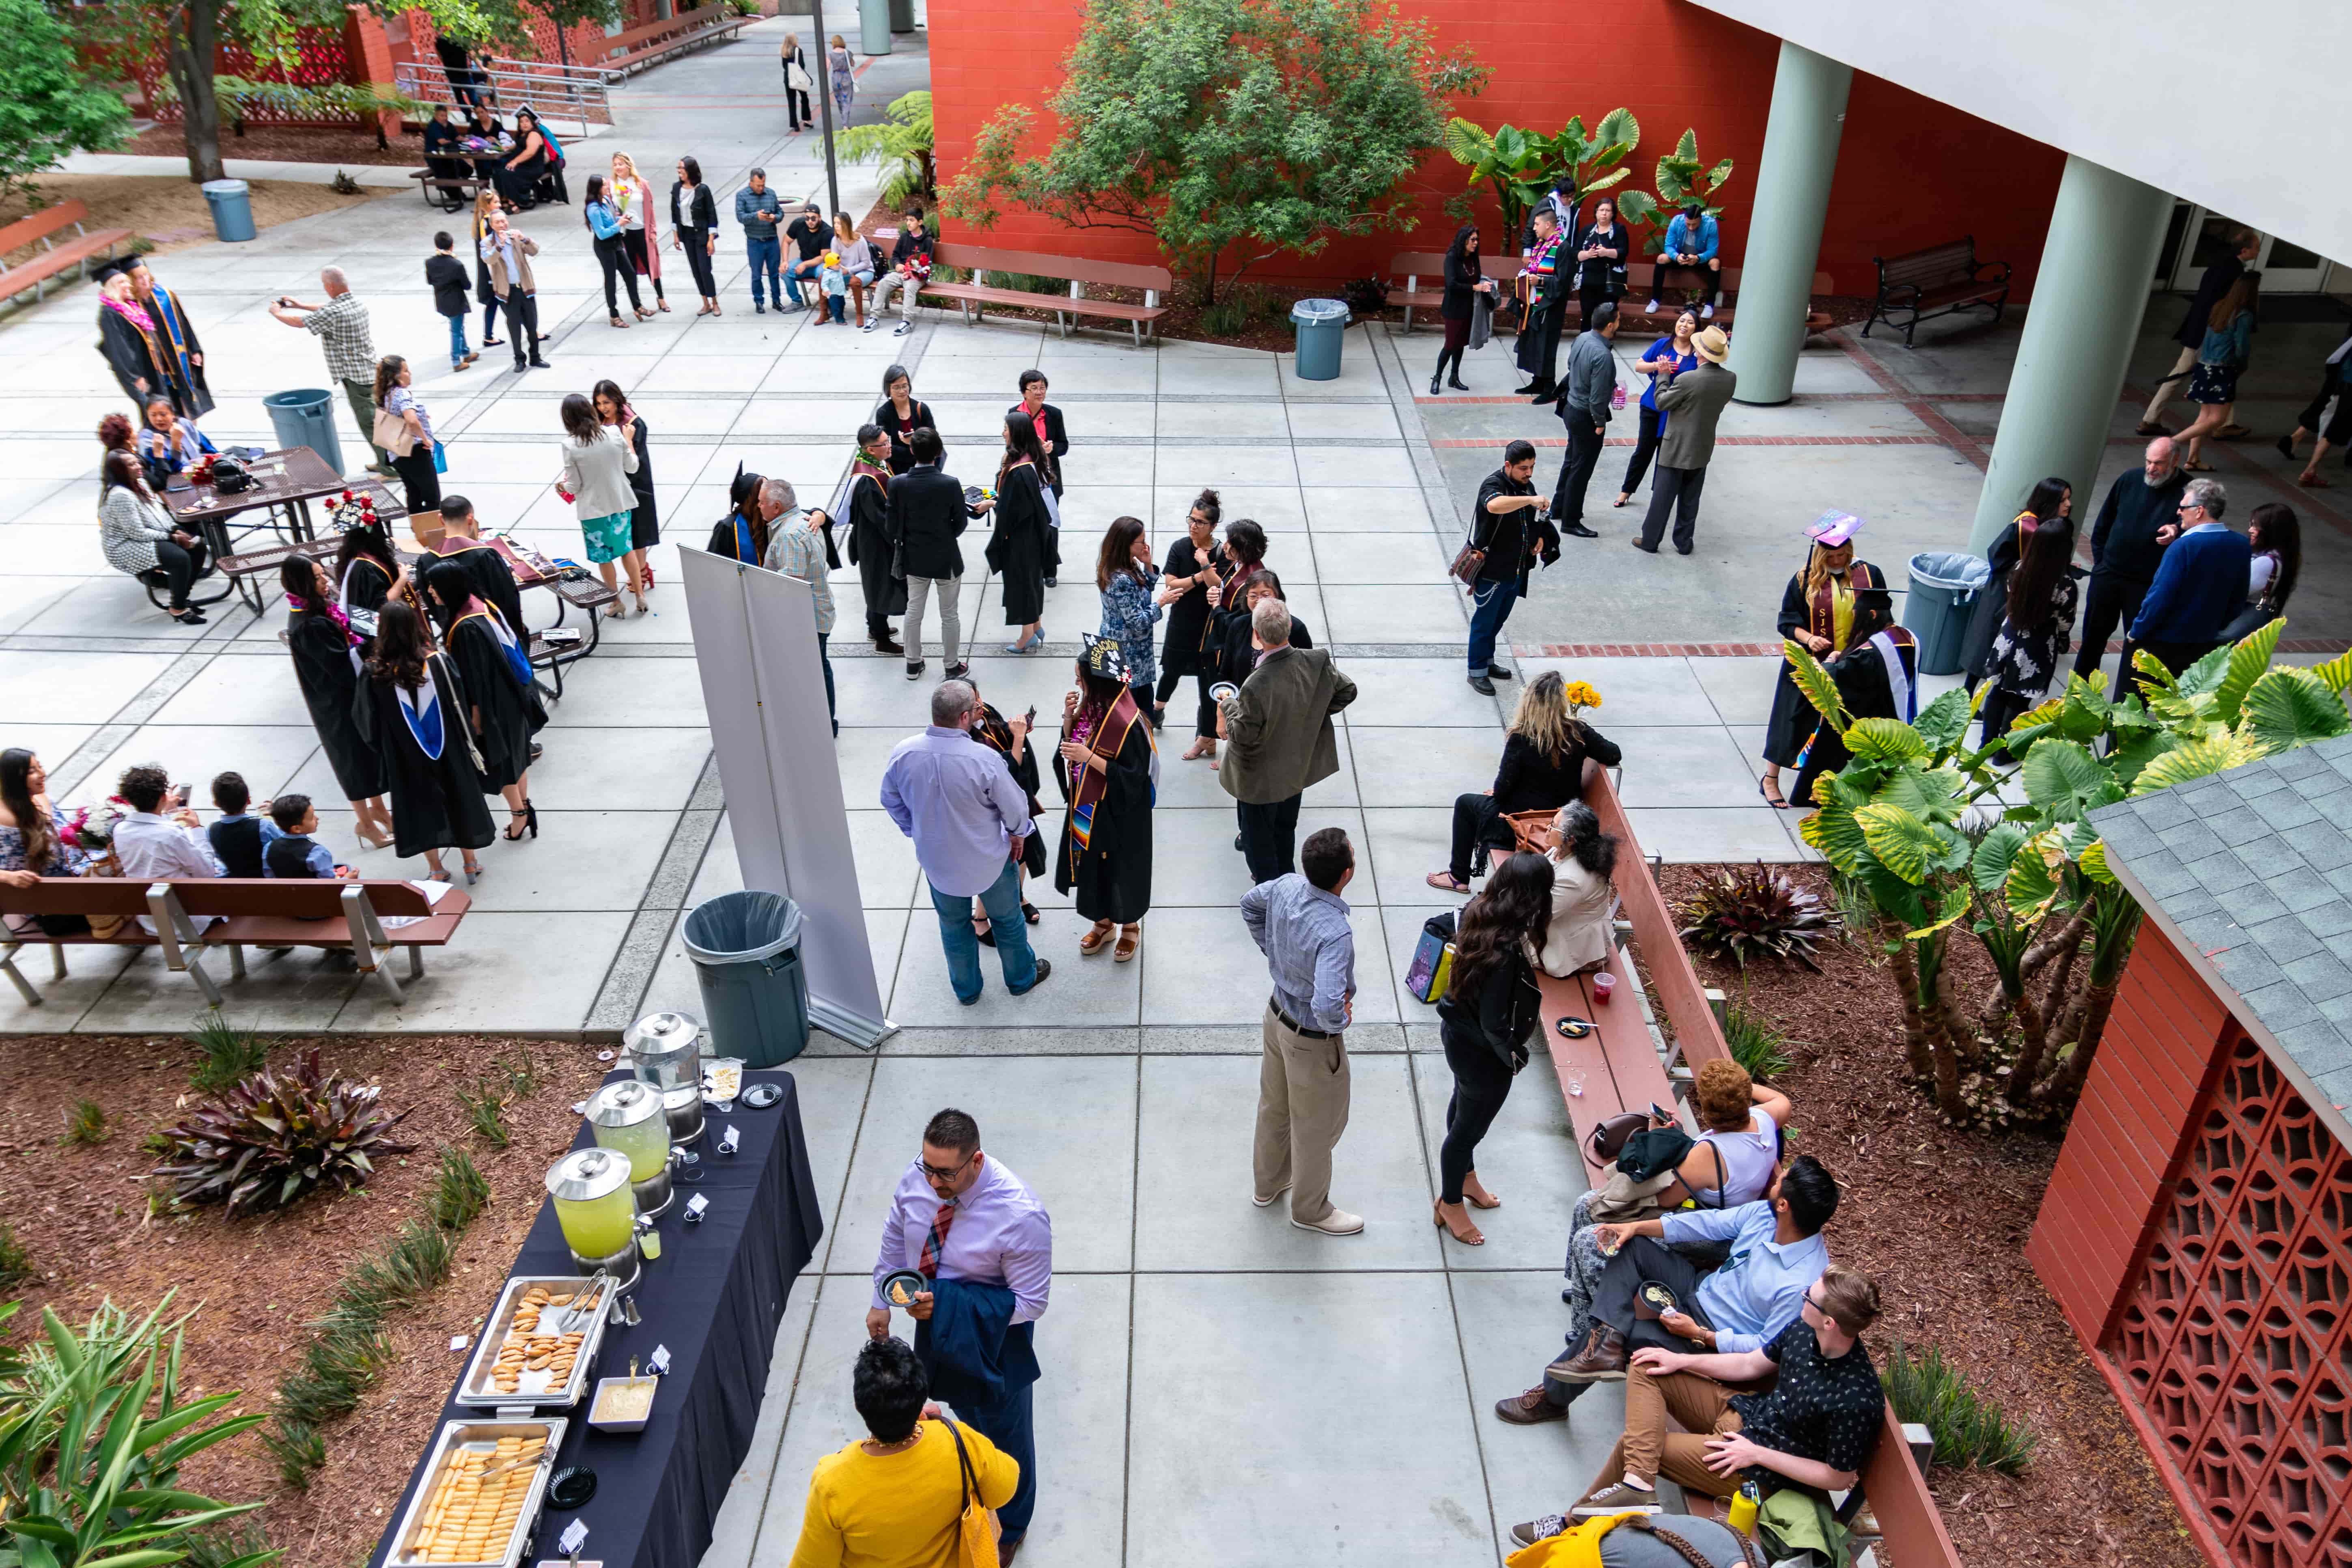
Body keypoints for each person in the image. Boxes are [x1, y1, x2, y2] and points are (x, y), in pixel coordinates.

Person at [1510, 1266, 1884, 1545]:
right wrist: (1681, 1360)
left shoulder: (1856, 1398)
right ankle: (1637, 1486)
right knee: (1648, 1363)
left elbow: (1837, 1477)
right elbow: (1750, 1365)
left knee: (1633, 1448)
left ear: (1830, 1322)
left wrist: (1757, 1454)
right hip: (1744, 1413)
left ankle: (1570, 1526)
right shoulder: (1804, 1329)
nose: (1803, 1294)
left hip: (1756, 1469)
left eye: (1809, 1296)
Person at [1501, 1154, 1840, 1428]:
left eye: (1780, 1181)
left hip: (1709, 1338)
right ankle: (1605, 1345)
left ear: (1785, 1206)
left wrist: (1701, 1335)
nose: (1775, 1182)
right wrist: (1635, 1227)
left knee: (1622, 1332)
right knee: (1632, 1250)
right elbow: (1704, 1224)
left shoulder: (1801, 1284)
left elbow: (1764, 1351)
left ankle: (1553, 1399)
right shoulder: (1766, 1215)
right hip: (1698, 1288)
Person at [862, 1108, 1049, 1561]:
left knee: (1006, 1435)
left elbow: (1031, 1303)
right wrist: (880, 1297)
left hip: (993, 1340)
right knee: (965, 1414)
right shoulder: (921, 1177)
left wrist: (945, 1305)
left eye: (946, 1173)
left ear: (977, 1160)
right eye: (928, 1167)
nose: (932, 1182)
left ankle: (1012, 1527)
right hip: (937, 1326)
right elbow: (896, 1235)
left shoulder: (1020, 1215)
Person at [880, 681, 1051, 1005]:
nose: (978, 712)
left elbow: (890, 799)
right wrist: (1017, 835)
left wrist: (915, 830)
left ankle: (967, 991)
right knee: (1008, 921)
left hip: (938, 864)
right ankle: (1021, 979)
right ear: (963, 717)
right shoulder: (984, 759)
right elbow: (1016, 807)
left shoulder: (905, 752)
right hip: (990, 860)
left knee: (953, 927)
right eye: (975, 708)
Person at [785, 1336, 1020, 1568]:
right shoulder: (959, 1442)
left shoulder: (832, 1482)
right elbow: (1004, 1489)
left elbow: (813, 1562)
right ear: (921, 1401)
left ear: (859, 1406)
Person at [1242, 826, 1362, 1236]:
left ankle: (1268, 1185)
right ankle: (1310, 1211)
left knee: (1274, 1107)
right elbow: (1327, 1006)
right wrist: (1340, 1020)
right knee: (1317, 1128)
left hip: (1276, 1016)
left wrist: (1273, 951)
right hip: (1310, 1041)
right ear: (1346, 874)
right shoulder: (1335, 932)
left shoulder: (1286, 886)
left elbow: (1249, 904)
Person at [1432, 851, 1551, 1245]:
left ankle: (1466, 1180)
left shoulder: (1477, 911)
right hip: (1484, 1054)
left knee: (1463, 1108)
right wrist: (1515, 1056)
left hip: (1459, 1037)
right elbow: (1495, 1025)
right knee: (1467, 1132)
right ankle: (1450, 1203)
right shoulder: (1505, 952)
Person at [1428, 670, 1620, 893]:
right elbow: (1613, 754)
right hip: (1562, 820)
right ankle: (1458, 875)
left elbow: (1502, 790)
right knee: (1479, 803)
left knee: (1465, 803)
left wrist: (1497, 794)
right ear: (1561, 702)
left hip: (1521, 823)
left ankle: (1458, 877)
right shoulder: (1578, 731)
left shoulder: (1521, 737)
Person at [1217, 597, 1357, 884]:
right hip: (1296, 771)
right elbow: (1347, 691)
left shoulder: (1256, 684)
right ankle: (1289, 884)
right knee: (1284, 830)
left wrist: (1228, 704)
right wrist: (1311, 715)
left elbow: (1242, 735)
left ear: (1257, 635)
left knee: (1258, 843)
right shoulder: (1315, 661)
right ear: (1290, 627)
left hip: (1259, 781)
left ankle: (1271, 893)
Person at [355, 601, 494, 884]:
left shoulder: (374, 673)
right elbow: (461, 703)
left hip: (404, 754)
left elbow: (366, 721)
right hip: (449, 749)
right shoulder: (439, 664)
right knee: (458, 797)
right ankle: (470, 863)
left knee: (419, 806)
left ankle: (436, 869)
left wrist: (384, 747)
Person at [1761, 513, 1881, 808]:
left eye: (1843, 555)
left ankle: (1832, 785)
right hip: (1809, 662)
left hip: (1851, 663)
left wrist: (1854, 648)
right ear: (1820, 554)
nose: (1838, 561)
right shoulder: (1803, 580)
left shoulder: (1868, 575)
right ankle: (1770, 780)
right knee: (1791, 721)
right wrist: (1810, 638)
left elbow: (1881, 616)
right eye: (1832, 556)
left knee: (1842, 727)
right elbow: (1787, 622)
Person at [424, 560, 544, 842]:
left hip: (492, 705)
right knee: (517, 757)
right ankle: (524, 808)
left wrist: (476, 719)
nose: (429, 591)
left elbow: (474, 678)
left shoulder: (466, 628)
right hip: (510, 696)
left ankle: (519, 815)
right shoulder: (480, 605)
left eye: (434, 586)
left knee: (500, 763)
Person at [1055, 635, 1157, 962]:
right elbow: (1070, 751)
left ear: (1098, 682)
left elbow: (1133, 778)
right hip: (1089, 807)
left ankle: (1130, 926)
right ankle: (1103, 923)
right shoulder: (1093, 706)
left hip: (1123, 814)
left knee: (1123, 869)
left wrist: (1089, 758)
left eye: (1081, 679)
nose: (1077, 684)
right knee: (1093, 870)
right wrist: (1069, 718)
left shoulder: (1129, 722)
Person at [282, 557, 393, 849]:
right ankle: (365, 824)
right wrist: (372, 651)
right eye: (318, 577)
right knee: (352, 761)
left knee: (367, 755)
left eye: (323, 574)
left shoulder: (318, 608)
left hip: (346, 695)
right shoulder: (309, 624)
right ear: (303, 584)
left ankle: (379, 809)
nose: (325, 581)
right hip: (336, 703)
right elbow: (341, 666)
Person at [1787, 590, 1917, 811]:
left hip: (1861, 721)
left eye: (1858, 616)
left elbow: (1833, 680)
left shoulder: (1870, 652)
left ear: (1873, 615)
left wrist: (1831, 660)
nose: (1855, 622)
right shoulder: (1907, 638)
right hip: (1891, 719)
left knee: (1839, 759)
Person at [2073, 437, 2186, 684]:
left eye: (2159, 463)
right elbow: (2104, 521)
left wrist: (2178, 528)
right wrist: (2102, 563)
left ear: (2175, 461)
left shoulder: (2187, 490)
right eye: (2149, 461)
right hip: (2109, 574)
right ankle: (2079, 692)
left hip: (2146, 584)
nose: (2151, 468)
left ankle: (2128, 698)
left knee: (2138, 646)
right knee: (2092, 638)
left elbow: (2194, 525)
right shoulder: (2130, 479)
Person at [267, 267, 391, 475]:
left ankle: (390, 468)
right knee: (380, 419)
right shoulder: (355, 303)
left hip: (356, 378)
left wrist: (277, 313)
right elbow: (325, 309)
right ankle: (386, 461)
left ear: (330, 287)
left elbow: (299, 322)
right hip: (370, 370)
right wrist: (300, 305)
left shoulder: (334, 313)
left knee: (370, 423)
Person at [2130, 477, 2252, 682]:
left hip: (2164, 644)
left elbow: (2160, 595)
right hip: (2206, 642)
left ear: (2199, 511)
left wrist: (2137, 630)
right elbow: (2239, 597)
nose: (2178, 512)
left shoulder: (2184, 546)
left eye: (2183, 507)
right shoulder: (2241, 544)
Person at [2140, 228, 2258, 437]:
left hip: (2199, 330)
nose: (2258, 252)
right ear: (2245, 250)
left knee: (2188, 374)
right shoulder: (2234, 272)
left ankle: (2153, 419)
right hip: (2210, 334)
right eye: (2256, 248)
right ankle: (2152, 419)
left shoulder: (2220, 263)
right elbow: (2226, 305)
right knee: (2207, 375)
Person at [1977, 517, 2079, 758]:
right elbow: (2065, 622)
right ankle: (2006, 752)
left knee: (1997, 692)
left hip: (2008, 638)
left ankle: (1986, 745)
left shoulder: (2018, 569)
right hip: (2038, 646)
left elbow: (2010, 598)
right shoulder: (2065, 585)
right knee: (2020, 701)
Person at [1961, 476, 2072, 686]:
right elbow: (1997, 558)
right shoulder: (2025, 527)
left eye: (2069, 499)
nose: (2068, 504)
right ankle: (1968, 694)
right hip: (2003, 593)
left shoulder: (2056, 526)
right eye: (2063, 500)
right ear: (2048, 502)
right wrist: (2023, 573)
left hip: (2026, 595)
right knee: (1987, 645)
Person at [1637, 324, 1736, 556]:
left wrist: (1663, 375)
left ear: (1700, 352)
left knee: (1663, 498)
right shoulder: (1730, 379)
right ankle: (1684, 542)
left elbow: (1662, 402)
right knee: (1691, 499)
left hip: (1676, 447)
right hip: (1702, 446)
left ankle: (1650, 540)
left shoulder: (1688, 379)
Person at [890, 427, 979, 681]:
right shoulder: (950, 484)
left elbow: (892, 525)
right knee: (949, 614)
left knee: (914, 611)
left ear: (911, 450)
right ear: (939, 452)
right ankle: (951, 666)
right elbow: (960, 522)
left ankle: (913, 663)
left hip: (914, 558)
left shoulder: (898, 483)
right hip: (946, 558)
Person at [1473, 440, 1556, 696]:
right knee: (1484, 623)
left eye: (1532, 467)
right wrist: (1530, 499)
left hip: (1516, 569)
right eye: (1523, 468)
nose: (1529, 473)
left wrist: (1541, 538)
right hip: (1493, 571)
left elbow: (1532, 520)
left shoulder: (1526, 486)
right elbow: (1494, 505)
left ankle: (1487, 662)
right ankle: (1476, 671)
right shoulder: (1493, 485)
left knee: (1498, 621)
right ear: (1508, 465)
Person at [759, 477, 841, 736]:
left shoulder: (790, 536)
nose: (759, 506)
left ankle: (822, 725)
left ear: (776, 507)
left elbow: (790, 585)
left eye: (762, 502)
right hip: (816, 612)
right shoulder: (801, 521)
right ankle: (824, 723)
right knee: (819, 668)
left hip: (807, 619)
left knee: (814, 671)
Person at [967, 674, 1046, 941]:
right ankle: (980, 917)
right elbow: (1003, 771)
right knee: (995, 865)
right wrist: (1019, 739)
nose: (981, 706)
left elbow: (1001, 734)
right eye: (974, 705)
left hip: (1015, 801)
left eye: (979, 698)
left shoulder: (985, 712)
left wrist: (1016, 732)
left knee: (1022, 854)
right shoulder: (965, 741)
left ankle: (1018, 897)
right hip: (992, 809)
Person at [99, 448, 210, 625]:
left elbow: (159, 512)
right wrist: (172, 537)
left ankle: (181, 598)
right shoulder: (120, 496)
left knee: (198, 546)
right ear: (119, 471)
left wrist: (175, 529)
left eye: (137, 462)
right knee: (180, 558)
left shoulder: (140, 482)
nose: (138, 466)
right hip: (125, 546)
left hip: (149, 533)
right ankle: (178, 608)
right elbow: (136, 533)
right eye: (131, 465)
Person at [1155, 490, 1227, 761]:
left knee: (1207, 682)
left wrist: (1205, 564)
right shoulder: (1180, 547)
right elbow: (1171, 585)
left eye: (1200, 522)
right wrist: (1199, 576)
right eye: (1191, 519)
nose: (1193, 526)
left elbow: (1219, 587)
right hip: (1181, 622)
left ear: (1213, 526)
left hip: (1209, 627)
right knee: (1171, 670)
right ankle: (1157, 710)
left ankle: (1206, 737)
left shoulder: (1222, 552)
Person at [558, 392, 644, 617]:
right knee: (627, 550)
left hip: (593, 510)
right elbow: (632, 467)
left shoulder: (570, 445)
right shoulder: (614, 432)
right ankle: (640, 597)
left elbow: (574, 486)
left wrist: (561, 486)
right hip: (621, 502)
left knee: (605, 558)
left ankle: (616, 602)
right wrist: (629, 443)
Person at [2174, 271, 2259, 474]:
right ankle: (2170, 443)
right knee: (2217, 420)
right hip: (2223, 369)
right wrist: (2242, 367)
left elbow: (2207, 338)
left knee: (2205, 416)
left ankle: (2193, 460)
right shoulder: (2244, 315)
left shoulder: (2220, 306)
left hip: (2205, 365)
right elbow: (2242, 347)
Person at [985, 415, 1057, 654]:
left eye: (1006, 429)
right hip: (1035, 534)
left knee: (1022, 583)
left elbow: (1012, 510)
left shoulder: (1020, 471)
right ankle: (1036, 625)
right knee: (1032, 580)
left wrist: (992, 505)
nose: (1003, 433)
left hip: (1021, 538)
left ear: (1016, 433)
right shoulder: (1033, 460)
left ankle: (1027, 636)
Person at [1613, 309, 1699, 508]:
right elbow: (1639, 365)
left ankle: (1658, 497)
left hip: (1676, 412)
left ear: (1696, 329)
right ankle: (1626, 490)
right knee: (1643, 451)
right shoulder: (1663, 345)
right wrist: (1657, 366)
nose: (1684, 325)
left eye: (1690, 323)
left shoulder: (1697, 355)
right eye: (1682, 321)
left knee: (1666, 456)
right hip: (1652, 406)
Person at [1549, 304, 1619, 545]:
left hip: (1571, 408)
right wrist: (1599, 422)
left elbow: (1572, 366)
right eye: (1618, 320)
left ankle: (1558, 507)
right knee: (1581, 470)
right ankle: (1571, 521)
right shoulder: (1603, 356)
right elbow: (1598, 398)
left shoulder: (1582, 339)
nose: (1618, 324)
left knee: (1571, 461)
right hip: (1586, 417)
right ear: (1610, 325)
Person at [110, 765, 222, 900]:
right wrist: (197, 828)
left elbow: (151, 831)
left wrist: (165, 812)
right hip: (180, 906)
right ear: (163, 797)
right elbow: (206, 873)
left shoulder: (120, 830)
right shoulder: (171, 834)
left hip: (143, 906)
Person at [417, 495, 525, 635]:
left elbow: (432, 604)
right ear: (470, 519)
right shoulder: (486, 555)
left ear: (441, 519)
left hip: (456, 632)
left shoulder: (427, 560)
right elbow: (507, 598)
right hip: (494, 632)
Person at [839, 423, 904, 652]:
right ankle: (881, 639)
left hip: (873, 537)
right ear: (870, 450)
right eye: (884, 443)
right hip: (875, 542)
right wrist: (898, 538)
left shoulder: (874, 464)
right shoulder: (868, 479)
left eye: (888, 440)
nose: (889, 446)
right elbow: (879, 517)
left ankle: (874, 627)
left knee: (876, 583)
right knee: (880, 585)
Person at [0, 751, 92, 905]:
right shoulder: (5, 818)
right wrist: (9, 877)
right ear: (14, 778)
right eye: (32, 771)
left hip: (69, 878)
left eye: (40, 767)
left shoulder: (42, 799)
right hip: (37, 898)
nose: (43, 774)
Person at [1540, 801, 1619, 978]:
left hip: (1570, 947)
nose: (1547, 828)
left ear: (1571, 839)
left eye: (1553, 825)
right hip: (1562, 919)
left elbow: (1540, 916)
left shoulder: (1574, 878)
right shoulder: (1567, 850)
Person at [126, 258, 211, 417]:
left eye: (146, 275)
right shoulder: (130, 306)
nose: (144, 280)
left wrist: (194, 350)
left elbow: (183, 323)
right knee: (166, 402)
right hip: (155, 364)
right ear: (132, 281)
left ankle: (190, 428)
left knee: (187, 399)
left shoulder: (165, 295)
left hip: (177, 356)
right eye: (139, 278)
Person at [594, 380, 659, 584]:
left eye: (607, 402)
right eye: (599, 403)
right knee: (621, 533)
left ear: (616, 400)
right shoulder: (598, 422)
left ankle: (641, 571)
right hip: (610, 485)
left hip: (634, 483)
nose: (603, 408)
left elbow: (635, 461)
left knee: (638, 531)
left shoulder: (633, 424)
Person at [1096, 517, 1162, 716]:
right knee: (1132, 714)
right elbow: (1137, 622)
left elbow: (1142, 592)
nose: (1145, 545)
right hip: (1127, 656)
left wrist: (1148, 565)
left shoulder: (1126, 565)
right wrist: (1161, 603)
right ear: (1127, 544)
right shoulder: (1121, 579)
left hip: (1128, 654)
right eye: (1141, 541)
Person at [96, 266, 177, 414]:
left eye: (127, 281)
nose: (128, 285)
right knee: (153, 411)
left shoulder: (130, 306)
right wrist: (135, 377)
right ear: (112, 287)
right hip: (140, 373)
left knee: (162, 407)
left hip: (152, 368)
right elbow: (119, 350)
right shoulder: (109, 314)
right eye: (122, 283)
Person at [2278, 328, 2352, 487]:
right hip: (2347, 383)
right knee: (2332, 427)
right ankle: (2309, 470)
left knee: (2329, 419)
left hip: (2343, 379)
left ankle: (2299, 448)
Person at [478, 211, 549, 373]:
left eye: (504, 221)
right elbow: (488, 259)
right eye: (498, 222)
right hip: (507, 292)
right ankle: (519, 360)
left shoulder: (515, 237)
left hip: (525, 288)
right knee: (514, 327)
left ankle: (536, 357)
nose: (502, 225)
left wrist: (525, 239)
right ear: (492, 225)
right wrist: (500, 246)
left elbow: (534, 251)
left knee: (532, 325)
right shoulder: (488, 242)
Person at [1430, 222, 1496, 395]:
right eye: (1473, 240)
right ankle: (1437, 378)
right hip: (1453, 308)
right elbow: (1451, 285)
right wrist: (1475, 288)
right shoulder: (1452, 257)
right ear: (1464, 240)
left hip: (1469, 307)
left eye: (1477, 240)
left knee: (1460, 344)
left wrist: (1484, 285)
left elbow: (1477, 277)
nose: (1476, 243)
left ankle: (1454, 377)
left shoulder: (1474, 258)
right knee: (1450, 344)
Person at [373, 355, 442, 515]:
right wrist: (425, 439)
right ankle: (432, 528)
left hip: (397, 453)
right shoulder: (402, 394)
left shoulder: (386, 394)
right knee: (432, 497)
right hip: (415, 451)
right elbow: (411, 420)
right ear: (396, 376)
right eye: (406, 370)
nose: (410, 373)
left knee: (414, 493)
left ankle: (418, 527)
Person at [2225, 502, 2302, 640]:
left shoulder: (2266, 562)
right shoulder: (2282, 555)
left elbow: (2234, 591)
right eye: (2251, 524)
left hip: (2244, 614)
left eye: (2256, 526)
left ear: (2271, 531)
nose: (2251, 530)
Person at [1513, 209, 1568, 403]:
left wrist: (1541, 281)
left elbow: (1563, 282)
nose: (1534, 228)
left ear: (1548, 225)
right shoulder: (1541, 245)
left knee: (1547, 346)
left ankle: (1549, 387)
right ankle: (1537, 381)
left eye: (1537, 225)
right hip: (1534, 305)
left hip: (1550, 307)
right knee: (1535, 343)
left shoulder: (1563, 247)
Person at [585, 175, 650, 328]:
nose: (607, 186)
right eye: (604, 185)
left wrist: (621, 219)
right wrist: (619, 224)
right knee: (611, 279)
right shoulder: (593, 209)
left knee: (630, 274)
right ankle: (614, 315)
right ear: (597, 189)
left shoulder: (606, 201)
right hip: (604, 246)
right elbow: (602, 233)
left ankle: (637, 306)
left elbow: (614, 219)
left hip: (616, 242)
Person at [608, 152, 667, 314]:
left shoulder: (641, 184)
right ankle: (637, 304)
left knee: (651, 266)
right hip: (624, 234)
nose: (618, 167)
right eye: (615, 165)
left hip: (642, 232)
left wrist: (653, 232)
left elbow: (651, 210)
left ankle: (661, 298)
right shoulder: (611, 185)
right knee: (630, 270)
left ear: (629, 165)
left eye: (621, 164)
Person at [866, 208, 934, 336]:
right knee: (883, 283)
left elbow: (927, 263)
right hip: (900, 273)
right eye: (907, 220)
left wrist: (912, 271)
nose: (908, 223)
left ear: (920, 222)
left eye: (912, 220)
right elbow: (896, 255)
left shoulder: (928, 240)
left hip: (917, 276)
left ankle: (906, 322)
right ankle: (874, 318)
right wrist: (897, 265)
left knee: (909, 289)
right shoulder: (904, 237)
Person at [670, 156, 722, 317]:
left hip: (701, 235)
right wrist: (676, 235)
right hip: (687, 235)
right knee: (696, 270)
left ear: (690, 170)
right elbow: (674, 213)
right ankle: (705, 303)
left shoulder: (703, 190)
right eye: (678, 168)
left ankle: (715, 302)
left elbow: (712, 215)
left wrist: (711, 240)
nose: (679, 171)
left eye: (682, 168)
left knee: (705, 270)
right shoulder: (677, 188)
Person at [1650, 203, 1721, 319]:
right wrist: (1677, 257)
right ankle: (1655, 301)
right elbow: (1669, 246)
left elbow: (1713, 250)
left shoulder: (1711, 224)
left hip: (1700, 259)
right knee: (1662, 258)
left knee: (1715, 263)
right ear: (1684, 219)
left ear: (1701, 219)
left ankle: (1709, 305)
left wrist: (1698, 258)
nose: (1691, 228)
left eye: (1695, 224)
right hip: (1681, 257)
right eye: (1688, 224)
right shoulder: (1676, 221)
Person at [1570, 196, 1629, 332]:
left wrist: (1606, 252)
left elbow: (1623, 252)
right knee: (1587, 314)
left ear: (1613, 214)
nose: (1604, 214)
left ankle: (1605, 339)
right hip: (1588, 281)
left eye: (1608, 211)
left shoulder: (1619, 229)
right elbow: (1575, 254)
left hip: (1609, 281)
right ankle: (1586, 339)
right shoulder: (1587, 230)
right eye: (1601, 210)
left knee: (1607, 315)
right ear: (1596, 212)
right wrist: (1588, 254)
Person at [334, 515, 408, 618]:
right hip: (380, 624)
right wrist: (403, 579)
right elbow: (382, 606)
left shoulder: (355, 555)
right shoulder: (367, 568)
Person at [874, 364, 942, 476]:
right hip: (898, 472)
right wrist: (916, 449)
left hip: (925, 470)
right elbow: (886, 447)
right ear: (888, 389)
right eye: (897, 387)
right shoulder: (883, 413)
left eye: (905, 386)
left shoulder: (921, 409)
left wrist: (912, 442)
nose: (902, 391)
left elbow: (934, 440)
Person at [262, 796, 351, 880]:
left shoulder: (269, 848)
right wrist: (348, 878)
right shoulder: (317, 852)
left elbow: (269, 875)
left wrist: (279, 812)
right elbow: (330, 883)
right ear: (297, 829)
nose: (317, 818)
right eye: (312, 817)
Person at [205, 771, 274, 878]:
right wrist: (278, 817)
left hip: (233, 884)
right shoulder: (264, 826)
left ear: (216, 804)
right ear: (249, 800)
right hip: (263, 883)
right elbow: (286, 846)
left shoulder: (212, 830)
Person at [426, 230, 478, 371]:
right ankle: (456, 361)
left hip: (442, 301)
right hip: (456, 302)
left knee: (459, 327)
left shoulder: (430, 262)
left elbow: (430, 281)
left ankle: (466, 353)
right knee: (456, 330)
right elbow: (467, 285)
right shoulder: (456, 264)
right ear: (452, 246)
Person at [135, 396, 217, 485]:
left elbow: (208, 449)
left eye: (163, 414)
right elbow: (171, 469)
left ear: (173, 414)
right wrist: (176, 443)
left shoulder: (184, 424)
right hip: (176, 482)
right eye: (153, 415)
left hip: (202, 475)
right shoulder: (147, 437)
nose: (159, 419)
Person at [736, 168, 785, 313]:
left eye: (763, 185)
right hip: (755, 241)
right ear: (751, 182)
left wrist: (775, 218)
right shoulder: (742, 196)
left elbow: (780, 212)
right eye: (758, 185)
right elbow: (741, 217)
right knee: (757, 274)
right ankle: (759, 301)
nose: (761, 188)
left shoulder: (771, 194)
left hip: (772, 239)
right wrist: (755, 216)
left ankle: (777, 301)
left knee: (774, 273)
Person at [469, 187, 506, 356]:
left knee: (494, 303)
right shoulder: (487, 223)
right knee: (509, 302)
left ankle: (489, 336)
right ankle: (532, 331)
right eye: (496, 202)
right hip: (493, 271)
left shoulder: (481, 221)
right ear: (488, 204)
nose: (499, 205)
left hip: (490, 271)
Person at [495, 107, 554, 211]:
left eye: (527, 121)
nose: (524, 124)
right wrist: (509, 148)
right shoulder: (522, 135)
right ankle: (504, 199)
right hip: (523, 165)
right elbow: (518, 145)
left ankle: (515, 203)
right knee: (498, 172)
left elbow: (530, 152)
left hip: (532, 167)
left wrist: (515, 162)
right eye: (521, 122)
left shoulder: (534, 134)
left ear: (532, 123)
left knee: (507, 174)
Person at [825, 212, 878, 326]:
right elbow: (835, 261)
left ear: (847, 225)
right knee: (825, 278)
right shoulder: (835, 240)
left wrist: (849, 270)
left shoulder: (860, 241)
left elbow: (866, 263)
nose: (836, 226)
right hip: (845, 272)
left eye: (839, 223)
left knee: (855, 282)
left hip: (865, 272)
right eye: (835, 223)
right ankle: (828, 313)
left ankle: (859, 315)